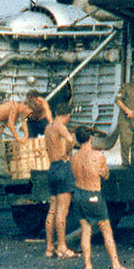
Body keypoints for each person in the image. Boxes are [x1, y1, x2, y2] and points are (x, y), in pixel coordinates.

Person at [71, 126, 130, 269]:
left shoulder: (74, 157)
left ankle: (87, 266)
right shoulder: (98, 155)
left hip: (78, 195)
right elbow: (106, 175)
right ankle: (116, 265)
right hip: (93, 194)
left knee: (85, 230)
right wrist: (102, 172)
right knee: (106, 230)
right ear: (91, 138)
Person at [43, 103, 79, 259]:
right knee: (62, 212)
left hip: (52, 167)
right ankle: (62, 247)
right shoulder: (60, 127)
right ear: (67, 115)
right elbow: (71, 141)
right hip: (63, 167)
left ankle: (49, 247)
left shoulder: (48, 128)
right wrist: (68, 154)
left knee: (52, 210)